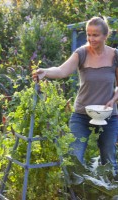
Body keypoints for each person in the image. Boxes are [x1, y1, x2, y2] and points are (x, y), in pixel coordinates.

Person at [33, 16, 118, 174]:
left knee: (109, 160)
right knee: (73, 157)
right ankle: (75, 194)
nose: (91, 39)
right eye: (88, 34)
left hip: (109, 116)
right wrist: (45, 72)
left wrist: (113, 100)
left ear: (106, 35)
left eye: (96, 35)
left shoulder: (115, 56)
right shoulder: (81, 54)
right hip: (82, 115)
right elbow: (61, 70)